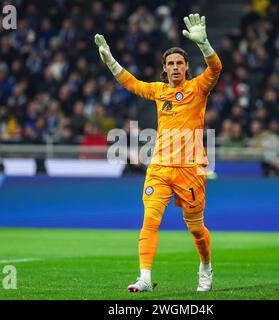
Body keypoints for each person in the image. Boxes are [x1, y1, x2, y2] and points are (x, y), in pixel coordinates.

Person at [95, 13, 222, 292]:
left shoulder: (198, 89)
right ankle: (144, 277)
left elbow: (215, 70)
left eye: (179, 63)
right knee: (149, 221)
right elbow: (132, 83)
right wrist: (110, 61)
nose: (175, 67)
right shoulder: (158, 91)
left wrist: (205, 45)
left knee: (196, 230)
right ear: (164, 68)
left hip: (191, 170)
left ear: (187, 67)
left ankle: (205, 267)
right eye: (170, 64)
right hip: (160, 168)